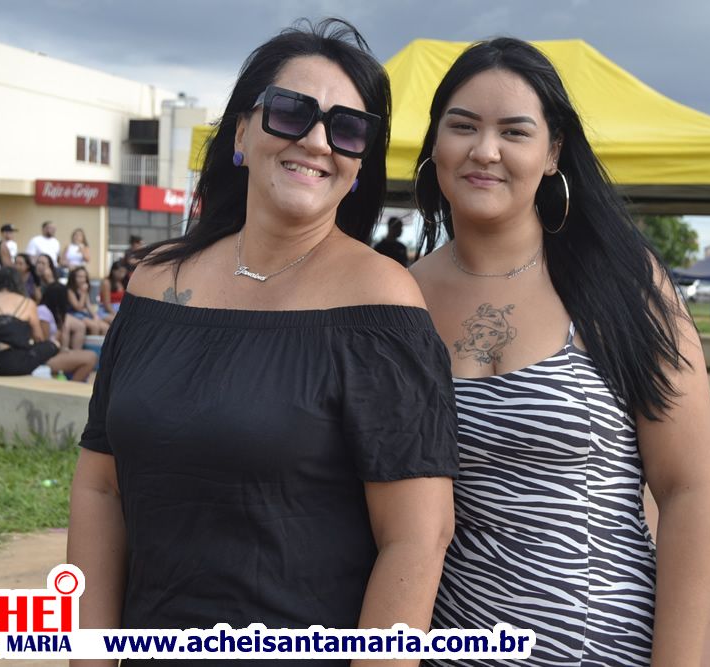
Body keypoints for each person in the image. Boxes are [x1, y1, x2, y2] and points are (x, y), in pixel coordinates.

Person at [67, 18, 459, 662]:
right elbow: (99, 488)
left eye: (347, 128)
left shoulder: (382, 304)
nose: (316, 140)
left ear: (359, 164)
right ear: (241, 133)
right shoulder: (155, 282)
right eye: (290, 111)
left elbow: (417, 538)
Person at [409, 39, 710, 666]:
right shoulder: (398, 298)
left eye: (514, 132)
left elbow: (691, 487)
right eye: (463, 126)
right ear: (435, 144)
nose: (485, 150)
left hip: (603, 650)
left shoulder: (621, 283)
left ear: (553, 152)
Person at [37, 284, 98, 381]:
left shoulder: (55, 312)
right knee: (90, 358)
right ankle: (72, 386)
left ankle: (73, 383)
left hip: (55, 351)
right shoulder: (43, 311)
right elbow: (44, 341)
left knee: (91, 355)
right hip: (45, 357)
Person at [65, 266, 109, 335]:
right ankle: (92, 341)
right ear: (73, 277)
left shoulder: (84, 289)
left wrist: (95, 315)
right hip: (73, 314)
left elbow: (88, 305)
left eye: (84, 277)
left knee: (105, 327)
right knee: (95, 326)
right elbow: (78, 307)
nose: (82, 279)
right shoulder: (70, 290)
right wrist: (83, 293)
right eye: (79, 277)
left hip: (84, 313)